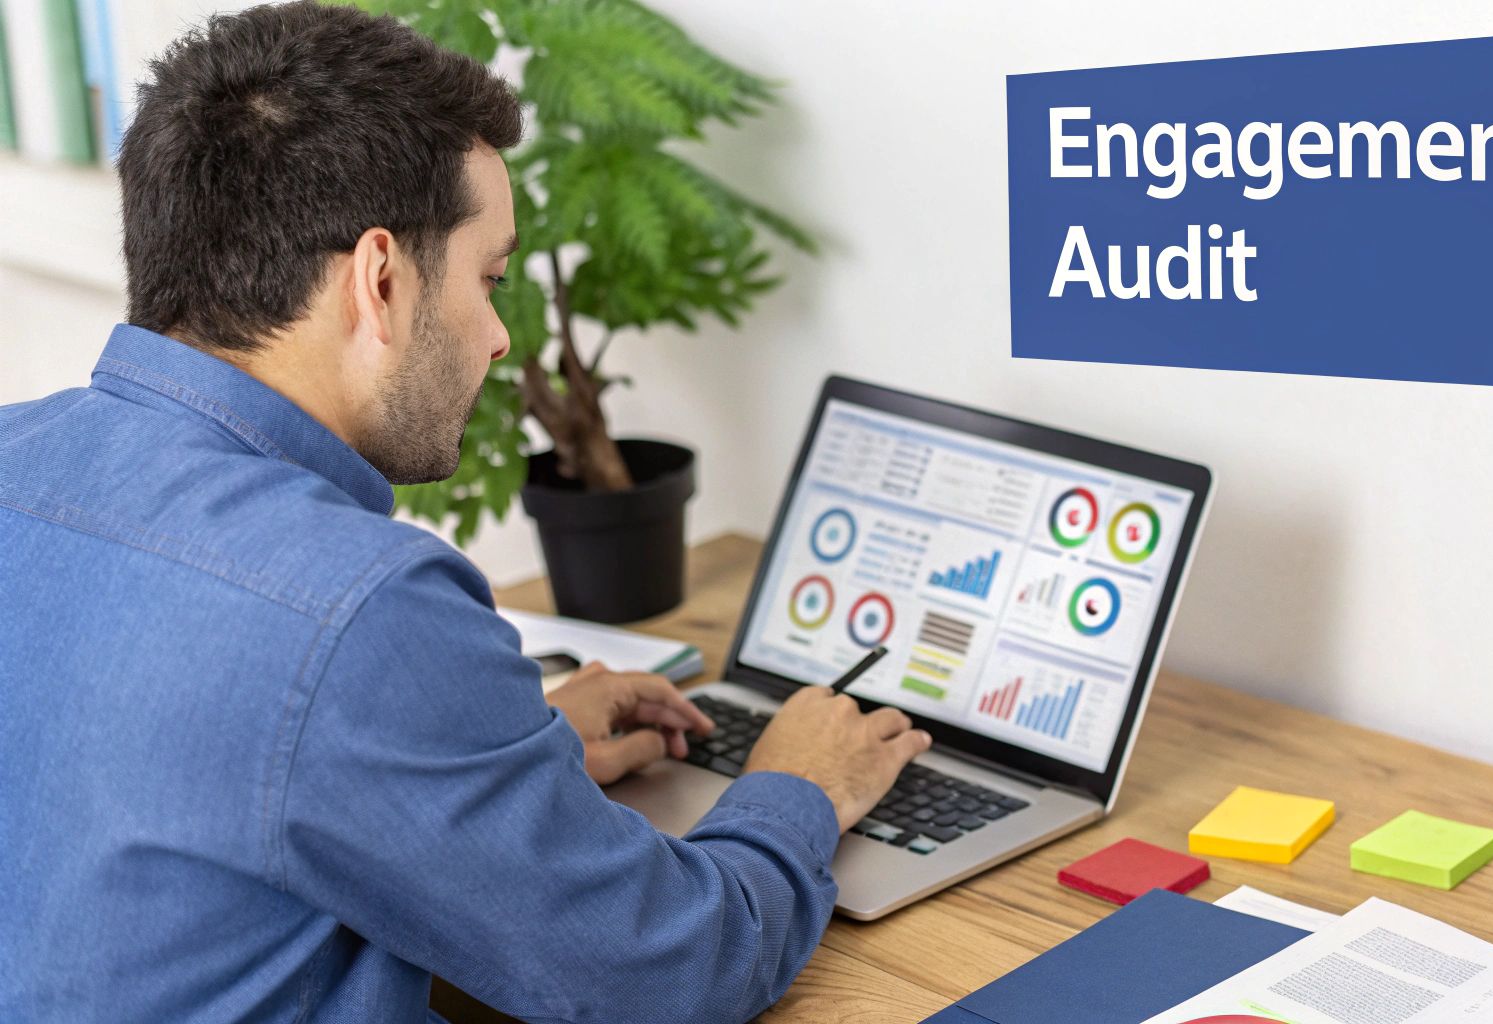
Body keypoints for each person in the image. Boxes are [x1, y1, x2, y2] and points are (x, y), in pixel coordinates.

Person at [0, 3, 930, 1022]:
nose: (496, 337)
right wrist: (797, 785)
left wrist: (505, 755)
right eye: (488, 278)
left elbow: (181, 779)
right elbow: (672, 973)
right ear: (380, 280)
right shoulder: (356, 607)